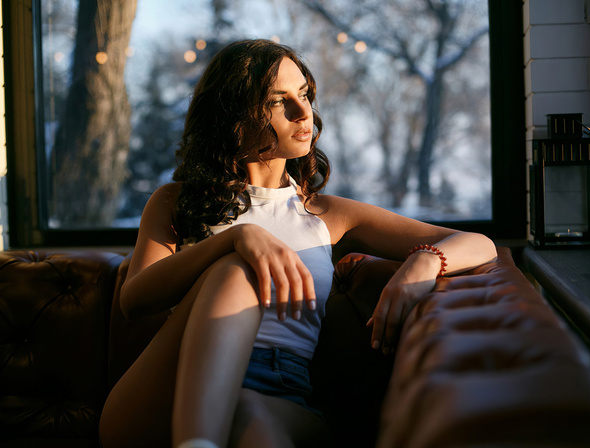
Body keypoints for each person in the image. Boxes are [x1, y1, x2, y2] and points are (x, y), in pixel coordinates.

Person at [99, 39, 497, 448]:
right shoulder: (175, 202)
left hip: (278, 391)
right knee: (236, 269)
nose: (303, 112)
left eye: (304, 94)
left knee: (249, 417)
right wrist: (236, 238)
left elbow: (481, 244)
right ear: (236, 114)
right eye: (278, 101)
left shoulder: (325, 213)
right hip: (170, 387)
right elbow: (133, 300)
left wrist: (425, 263)